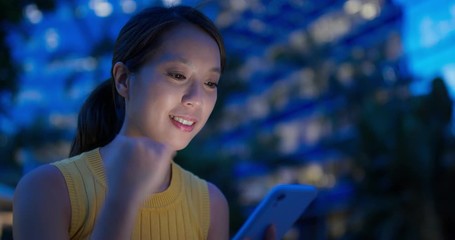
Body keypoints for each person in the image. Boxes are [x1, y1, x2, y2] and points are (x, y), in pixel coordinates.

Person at [13, 5, 275, 240]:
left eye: (210, 83)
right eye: (177, 75)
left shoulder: (211, 203)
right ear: (124, 80)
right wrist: (123, 200)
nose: (196, 99)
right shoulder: (47, 189)